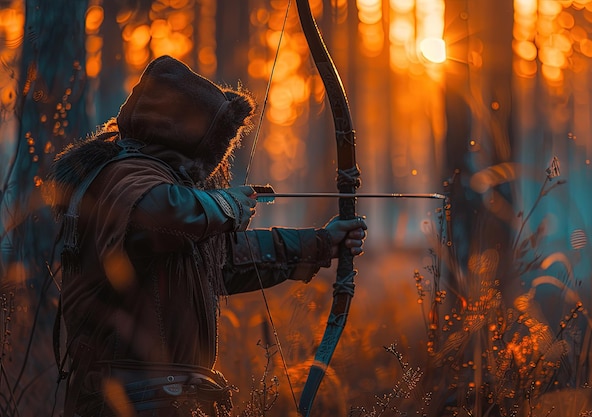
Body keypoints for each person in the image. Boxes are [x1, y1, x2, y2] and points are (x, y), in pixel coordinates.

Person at [45, 55, 367, 417]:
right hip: (129, 400)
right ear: (185, 136)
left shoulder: (162, 188)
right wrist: (227, 206)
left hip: (169, 398)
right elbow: (164, 212)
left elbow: (225, 261)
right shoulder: (122, 174)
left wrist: (322, 243)